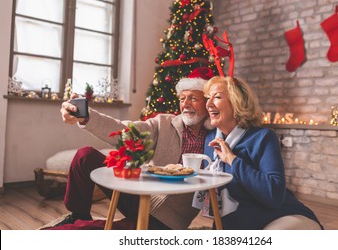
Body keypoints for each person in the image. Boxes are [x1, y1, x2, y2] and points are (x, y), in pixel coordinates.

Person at [54, 67, 214, 229]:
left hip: (167, 220)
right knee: (85, 155)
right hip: (142, 198)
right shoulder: (164, 123)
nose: (185, 104)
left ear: (207, 103)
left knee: (84, 231)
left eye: (193, 98)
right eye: (182, 98)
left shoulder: (216, 136)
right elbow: (125, 131)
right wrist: (86, 117)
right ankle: (78, 215)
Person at [195, 75, 323, 230]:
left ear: (237, 103)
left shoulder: (263, 137)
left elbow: (274, 196)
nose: (208, 104)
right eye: (208, 98)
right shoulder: (211, 141)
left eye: (217, 97)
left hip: (280, 216)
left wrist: (232, 159)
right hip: (239, 224)